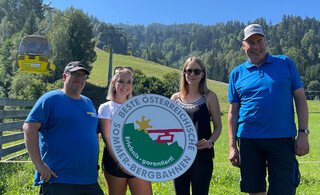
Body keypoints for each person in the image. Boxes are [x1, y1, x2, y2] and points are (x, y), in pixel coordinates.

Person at [228, 24, 310, 195]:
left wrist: (303, 133)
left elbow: (300, 99)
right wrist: (232, 146)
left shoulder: (285, 63)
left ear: (265, 42)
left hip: (281, 138)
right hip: (249, 139)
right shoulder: (236, 73)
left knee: (284, 190)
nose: (256, 46)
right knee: (254, 191)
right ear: (244, 46)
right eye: (251, 42)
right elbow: (233, 112)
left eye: (259, 41)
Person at [23, 61, 104, 195]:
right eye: (75, 75)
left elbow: (93, 133)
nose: (80, 79)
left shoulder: (88, 103)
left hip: (89, 180)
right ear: (64, 77)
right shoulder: (50, 99)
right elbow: (29, 127)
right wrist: (39, 165)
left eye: (83, 76)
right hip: (58, 180)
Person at [171, 57, 222, 195]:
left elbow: (218, 126)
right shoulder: (175, 98)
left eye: (196, 71)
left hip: (202, 157)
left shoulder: (210, 97)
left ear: (203, 74)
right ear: (184, 73)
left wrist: (210, 142)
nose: (192, 74)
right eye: (188, 71)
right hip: (179, 157)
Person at [98, 67, 153, 195]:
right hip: (114, 162)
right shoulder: (105, 108)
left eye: (129, 82)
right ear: (114, 83)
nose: (125, 85)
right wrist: (120, 163)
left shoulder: (138, 107)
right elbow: (108, 139)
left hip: (138, 160)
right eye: (121, 81)